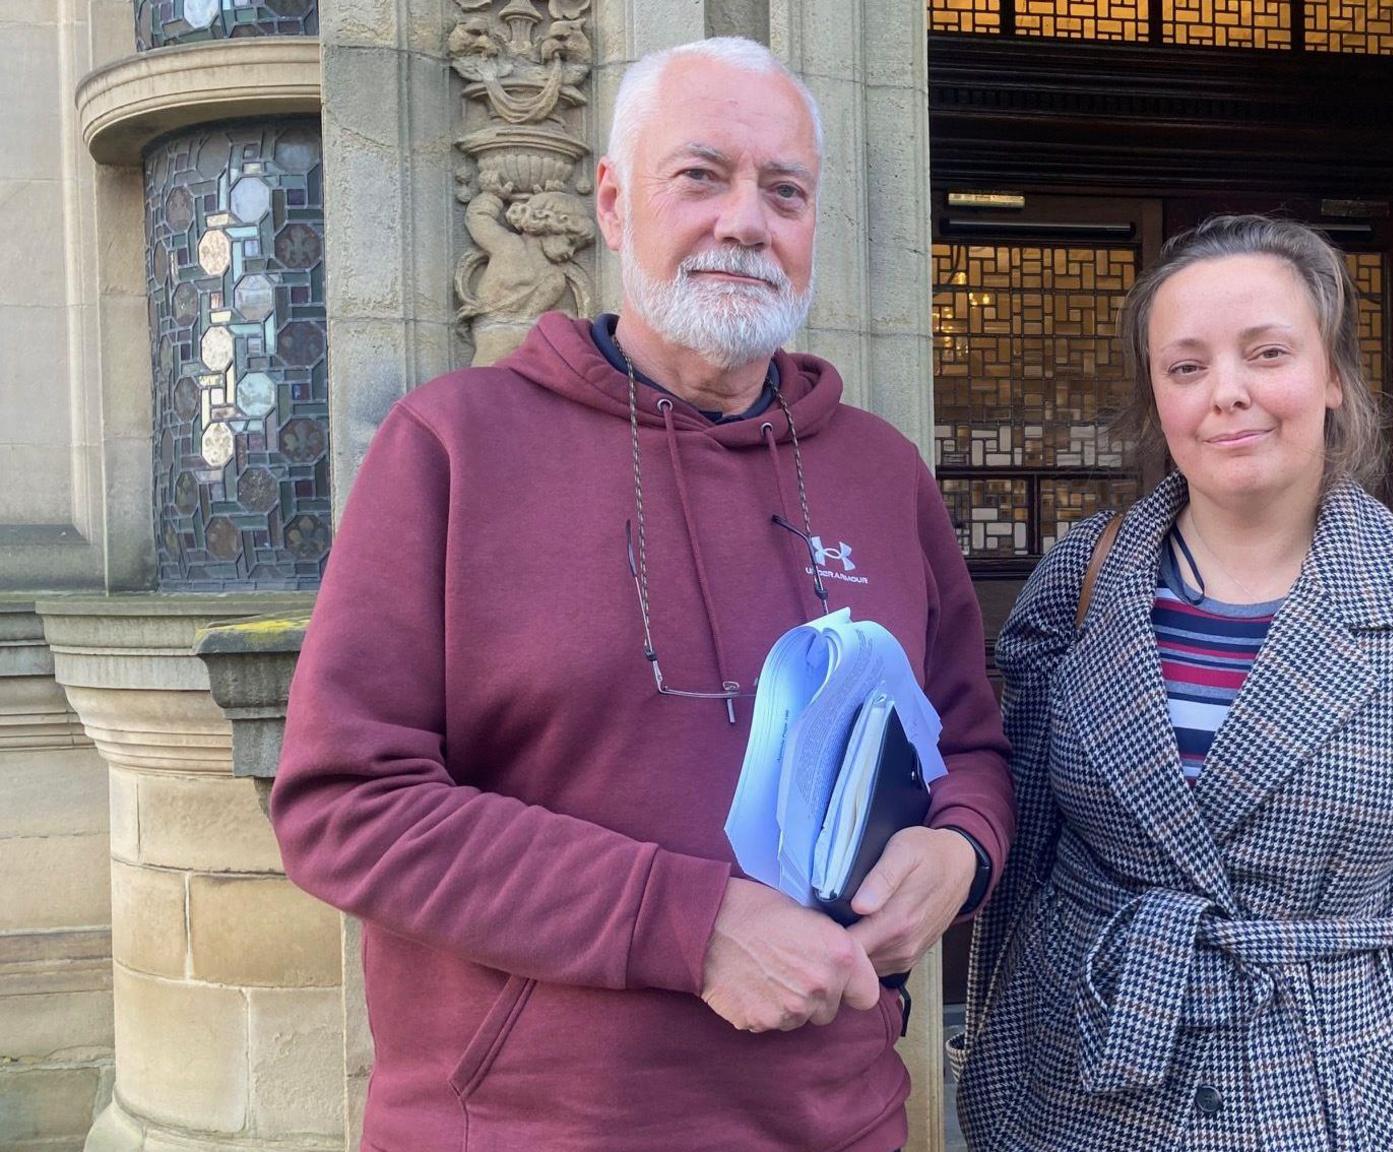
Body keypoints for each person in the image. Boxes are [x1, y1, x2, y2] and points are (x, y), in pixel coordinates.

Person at [271, 37, 1013, 1152]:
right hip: (534, 1126)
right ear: (613, 203)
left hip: (839, 1117)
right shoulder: (454, 446)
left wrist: (959, 851)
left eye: (785, 191)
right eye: (701, 175)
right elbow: (346, 809)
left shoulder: (879, 469)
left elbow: (969, 744)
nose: (745, 221)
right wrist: (688, 925)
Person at [955, 215, 1393, 1151]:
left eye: (1266, 353)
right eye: (1185, 367)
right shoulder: (1078, 581)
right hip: (1087, 1076)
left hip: (1353, 1087)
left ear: (1333, 379)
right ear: (1157, 399)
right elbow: (1025, 850)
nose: (1226, 393)